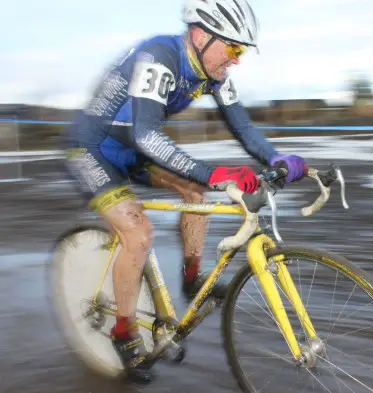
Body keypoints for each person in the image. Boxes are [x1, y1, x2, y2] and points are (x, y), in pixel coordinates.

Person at [61, 0, 306, 383]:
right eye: (234, 47)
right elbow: (145, 133)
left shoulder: (214, 72)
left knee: (196, 195)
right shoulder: (159, 56)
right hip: (91, 149)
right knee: (138, 233)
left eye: (242, 50)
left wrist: (277, 157)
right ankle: (123, 331)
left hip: (131, 150)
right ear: (201, 35)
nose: (237, 59)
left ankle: (193, 281)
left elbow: (242, 128)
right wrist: (215, 173)